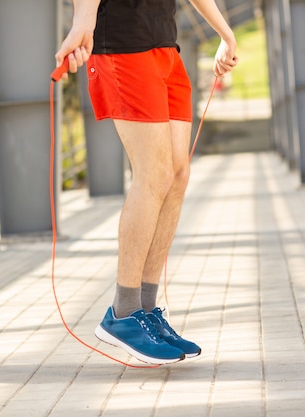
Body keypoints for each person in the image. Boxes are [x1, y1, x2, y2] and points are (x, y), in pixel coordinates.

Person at [55, 0, 238, 364]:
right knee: (152, 175)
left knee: (177, 175)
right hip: (123, 45)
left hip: (163, 43)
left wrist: (225, 33)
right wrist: (84, 20)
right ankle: (123, 313)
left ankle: (146, 311)